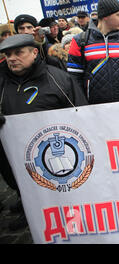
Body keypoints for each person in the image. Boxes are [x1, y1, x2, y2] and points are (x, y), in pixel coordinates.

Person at [0, 34, 88, 230]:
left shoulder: (57, 79)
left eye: (18, 53)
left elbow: (80, 112)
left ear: (33, 53)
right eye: (7, 54)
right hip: (14, 153)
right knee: (24, 186)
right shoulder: (2, 82)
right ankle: (30, 213)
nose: (12, 58)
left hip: (54, 151)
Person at [67, 0, 119, 104]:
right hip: (94, 109)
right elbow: (74, 80)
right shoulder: (80, 41)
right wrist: (83, 106)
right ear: (105, 16)